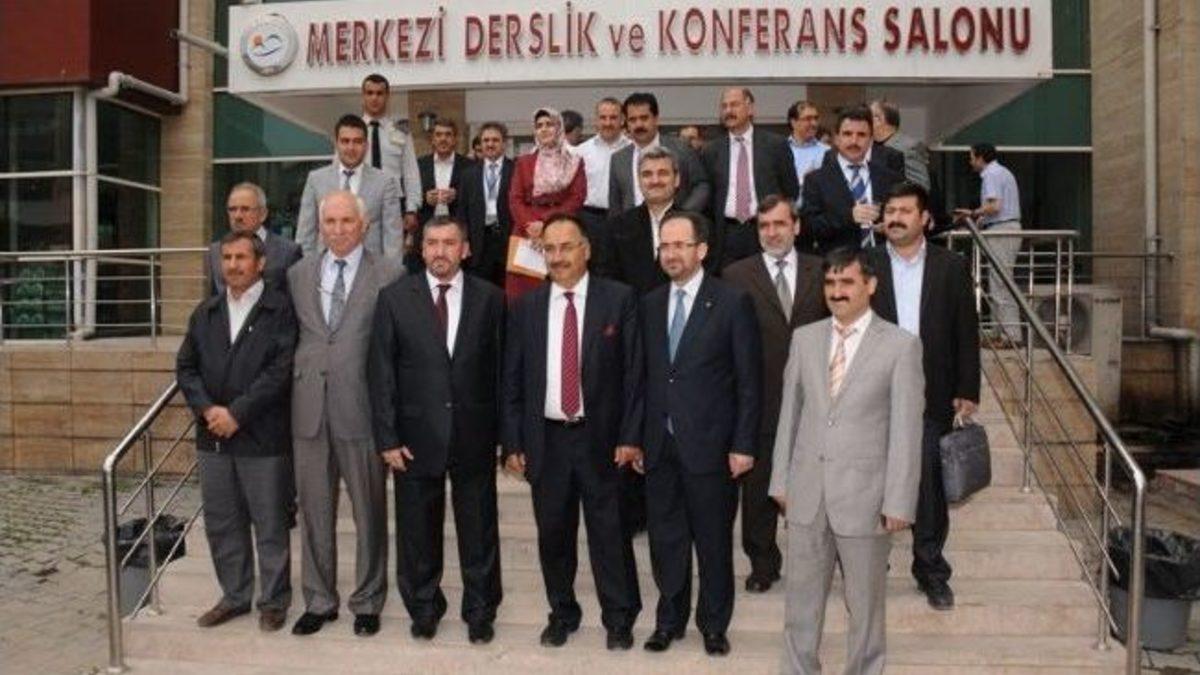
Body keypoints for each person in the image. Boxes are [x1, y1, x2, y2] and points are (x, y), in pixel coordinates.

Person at [769, 248, 924, 675]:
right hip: (807, 493)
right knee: (800, 605)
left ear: (870, 285)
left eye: (847, 283)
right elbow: (790, 414)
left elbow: (906, 431)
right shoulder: (805, 339)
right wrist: (780, 480)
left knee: (866, 608)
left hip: (866, 499)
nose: (837, 292)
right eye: (830, 283)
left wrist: (899, 501)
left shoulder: (901, 346)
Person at [501, 214, 643, 651]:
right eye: (549, 248)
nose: (558, 256)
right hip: (547, 440)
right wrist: (513, 442)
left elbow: (634, 375)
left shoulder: (618, 300)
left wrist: (630, 436)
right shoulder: (526, 307)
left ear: (587, 250)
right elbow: (512, 380)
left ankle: (619, 618)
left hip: (602, 439)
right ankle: (562, 613)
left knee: (609, 533)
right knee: (554, 535)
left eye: (566, 247)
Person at [368, 216, 505, 644]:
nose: (440, 251)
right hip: (414, 437)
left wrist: (506, 437)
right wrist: (388, 438)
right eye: (432, 243)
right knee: (416, 531)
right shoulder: (394, 299)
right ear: (421, 249)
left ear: (465, 249)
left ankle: (480, 611)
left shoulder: (491, 298)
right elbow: (381, 373)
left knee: (479, 530)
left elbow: (503, 371)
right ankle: (424, 607)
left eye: (449, 242)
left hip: (474, 433)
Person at [640, 211, 762, 656]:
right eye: (665, 246)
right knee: (666, 541)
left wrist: (743, 444)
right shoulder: (649, 303)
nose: (671, 254)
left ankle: (713, 624)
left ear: (702, 250)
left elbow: (749, 381)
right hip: (660, 445)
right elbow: (643, 378)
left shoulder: (731, 302)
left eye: (680, 245)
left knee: (712, 542)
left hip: (712, 446)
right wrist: (638, 437)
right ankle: (668, 621)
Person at [287, 190, 405, 638]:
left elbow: (396, 350)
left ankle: (368, 601)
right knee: (314, 512)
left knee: (369, 511)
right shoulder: (298, 274)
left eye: (346, 221)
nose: (338, 230)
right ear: (320, 226)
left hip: (362, 410)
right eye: (330, 222)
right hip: (309, 410)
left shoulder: (390, 273)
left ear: (364, 225)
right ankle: (319, 600)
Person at [177, 230, 297, 633]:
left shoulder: (280, 310)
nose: (232, 265)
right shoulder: (206, 312)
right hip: (213, 437)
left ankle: (274, 601)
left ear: (260, 263)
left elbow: (280, 371)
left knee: (270, 522)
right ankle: (234, 595)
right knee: (222, 521)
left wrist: (238, 413)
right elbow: (186, 368)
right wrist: (208, 409)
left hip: (262, 437)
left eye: (241, 257)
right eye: (226, 257)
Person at [870, 181, 980, 612]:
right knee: (869, 483)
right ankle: (869, 566)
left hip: (930, 392)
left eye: (904, 211)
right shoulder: (865, 264)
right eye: (889, 212)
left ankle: (931, 570)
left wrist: (967, 388)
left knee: (928, 485)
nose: (895, 218)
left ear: (925, 219)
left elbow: (966, 330)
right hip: (873, 394)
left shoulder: (951, 266)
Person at [721, 195, 828, 593]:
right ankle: (762, 563)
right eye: (764, 226)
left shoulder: (823, 270)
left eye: (780, 224)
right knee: (759, 489)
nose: (772, 232)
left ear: (796, 226)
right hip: (760, 400)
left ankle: (817, 559)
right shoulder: (735, 275)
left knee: (817, 486)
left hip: (816, 400)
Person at [701, 88, 799, 269]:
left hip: (764, 230)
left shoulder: (775, 145)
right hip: (726, 235)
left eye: (734, 105)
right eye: (724, 106)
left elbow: (791, 189)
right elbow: (708, 199)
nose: (728, 111)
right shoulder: (711, 151)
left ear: (750, 109)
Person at [296, 115, 403, 259]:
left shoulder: (385, 182)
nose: (351, 148)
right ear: (336, 144)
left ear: (366, 145)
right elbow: (305, 234)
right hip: (325, 267)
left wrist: (390, 272)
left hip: (370, 268)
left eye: (357, 142)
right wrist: (308, 268)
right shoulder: (316, 180)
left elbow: (393, 238)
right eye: (345, 141)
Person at [507, 108, 586, 302]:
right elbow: (515, 198)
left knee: (562, 282)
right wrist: (531, 226)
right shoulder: (524, 162)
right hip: (527, 232)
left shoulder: (574, 161)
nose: (544, 129)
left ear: (559, 128)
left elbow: (577, 197)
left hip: (562, 228)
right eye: (539, 125)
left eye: (549, 124)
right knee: (523, 293)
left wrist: (546, 224)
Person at [802, 107, 903, 254]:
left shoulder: (889, 178)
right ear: (836, 139)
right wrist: (849, 216)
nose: (854, 141)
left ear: (871, 140)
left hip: (882, 260)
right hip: (839, 262)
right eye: (847, 134)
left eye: (861, 135)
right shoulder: (816, 180)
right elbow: (809, 228)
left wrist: (890, 226)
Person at [954, 142, 1023, 342]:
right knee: (998, 282)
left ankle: (1011, 335)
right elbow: (994, 208)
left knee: (1001, 283)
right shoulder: (1001, 172)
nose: (970, 162)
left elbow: (994, 206)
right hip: (1003, 228)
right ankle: (998, 332)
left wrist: (973, 213)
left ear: (980, 157)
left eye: (971, 157)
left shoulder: (991, 174)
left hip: (1002, 230)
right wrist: (977, 218)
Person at [608, 92, 710, 217]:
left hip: (675, 224)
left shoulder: (681, 149)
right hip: (632, 226)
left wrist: (684, 215)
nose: (639, 124)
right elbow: (615, 205)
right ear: (627, 123)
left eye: (644, 118)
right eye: (632, 120)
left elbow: (701, 186)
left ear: (656, 119)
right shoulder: (618, 159)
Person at [599, 146, 677, 296]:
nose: (655, 181)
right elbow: (607, 280)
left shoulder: (696, 226)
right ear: (639, 181)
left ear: (677, 179)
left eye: (663, 173)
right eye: (647, 174)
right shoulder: (616, 227)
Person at [207, 182, 301, 296]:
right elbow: (214, 297)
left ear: (263, 214)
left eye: (245, 209)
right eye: (232, 209)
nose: (237, 216)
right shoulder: (215, 251)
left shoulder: (288, 252)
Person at [358, 73, 422, 238]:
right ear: (363, 96)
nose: (375, 98)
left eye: (379, 93)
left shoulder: (401, 131)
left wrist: (411, 209)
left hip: (393, 202)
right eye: (370, 93)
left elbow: (411, 172)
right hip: (359, 200)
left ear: (387, 97)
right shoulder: (352, 131)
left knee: (393, 249)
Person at [573, 97, 630, 268]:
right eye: (603, 118)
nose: (608, 123)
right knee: (593, 267)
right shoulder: (581, 152)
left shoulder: (633, 149)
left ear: (622, 120)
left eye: (613, 117)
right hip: (591, 220)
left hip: (625, 217)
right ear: (596, 120)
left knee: (624, 265)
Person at [456, 122, 514, 288]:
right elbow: (462, 212)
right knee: (479, 291)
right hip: (478, 243)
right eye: (486, 140)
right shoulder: (468, 174)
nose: (490, 144)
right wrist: (463, 240)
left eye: (495, 140)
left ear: (504, 143)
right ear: (480, 144)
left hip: (507, 240)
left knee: (506, 291)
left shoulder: (516, 170)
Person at [413, 118, 474, 273]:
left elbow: (476, 201)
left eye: (448, 134)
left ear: (455, 139)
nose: (443, 139)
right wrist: (424, 199)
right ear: (432, 139)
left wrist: (458, 196)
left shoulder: (469, 166)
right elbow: (409, 197)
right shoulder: (418, 165)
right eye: (438, 135)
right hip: (427, 230)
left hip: (456, 231)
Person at [870, 100, 931, 191]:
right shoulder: (870, 147)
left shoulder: (908, 147)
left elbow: (920, 187)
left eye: (868, 117)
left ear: (879, 120)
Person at [786, 101, 830, 205]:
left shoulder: (827, 152)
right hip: (788, 210)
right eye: (808, 119)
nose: (814, 123)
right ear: (794, 122)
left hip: (817, 210)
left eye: (816, 118)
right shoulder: (780, 149)